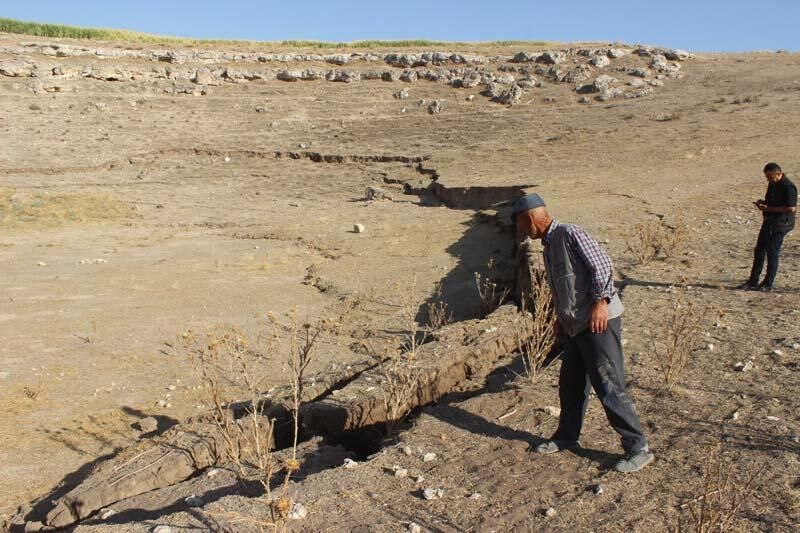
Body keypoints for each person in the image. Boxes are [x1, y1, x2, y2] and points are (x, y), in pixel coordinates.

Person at [513, 193, 653, 473]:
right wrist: (559, 318)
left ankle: (638, 447)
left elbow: (602, 264)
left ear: (530, 219)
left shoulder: (569, 233)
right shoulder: (549, 245)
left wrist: (601, 303)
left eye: (519, 223)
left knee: (608, 384)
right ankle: (567, 436)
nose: (519, 230)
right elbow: (564, 287)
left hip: (597, 322)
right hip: (575, 325)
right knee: (571, 384)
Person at [743, 163, 797, 292]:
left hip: (781, 224)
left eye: (770, 177)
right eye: (767, 177)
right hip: (769, 221)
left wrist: (769, 208)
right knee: (759, 250)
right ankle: (753, 281)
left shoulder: (788, 187)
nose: (768, 179)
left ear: (779, 174)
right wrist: (763, 203)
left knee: (772, 253)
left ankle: (768, 283)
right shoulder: (773, 184)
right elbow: (771, 201)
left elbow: (791, 208)